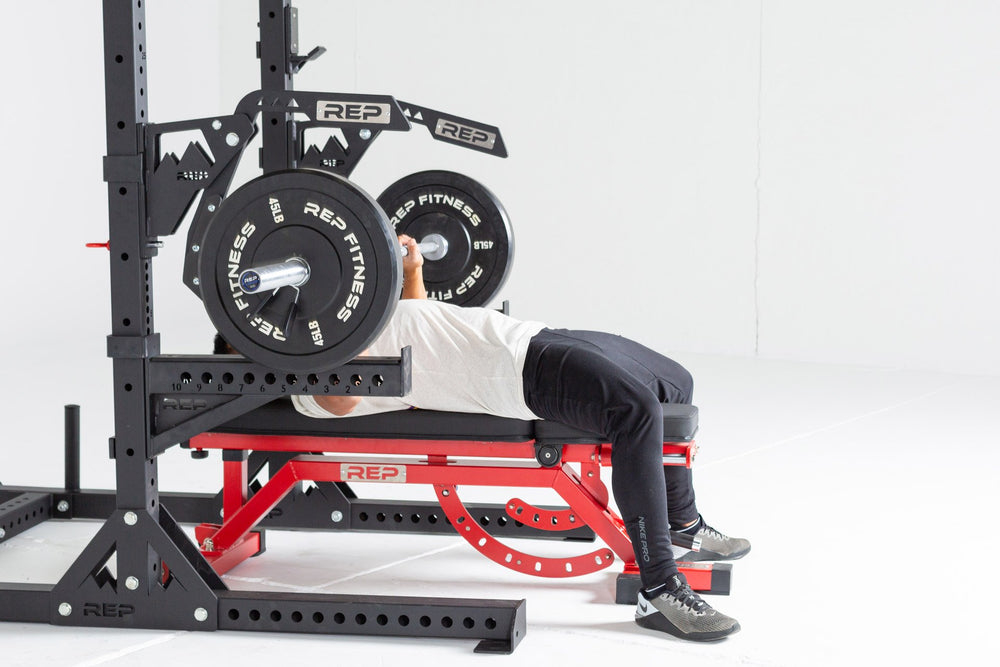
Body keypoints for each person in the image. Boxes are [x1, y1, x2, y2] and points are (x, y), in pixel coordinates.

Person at [285, 235, 750, 642]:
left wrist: (412, 274)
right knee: (636, 410)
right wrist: (348, 309)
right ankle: (660, 590)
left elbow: (418, 321)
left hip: (525, 336)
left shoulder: (342, 326)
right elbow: (342, 402)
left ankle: (682, 524)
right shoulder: (313, 377)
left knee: (675, 382)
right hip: (512, 373)